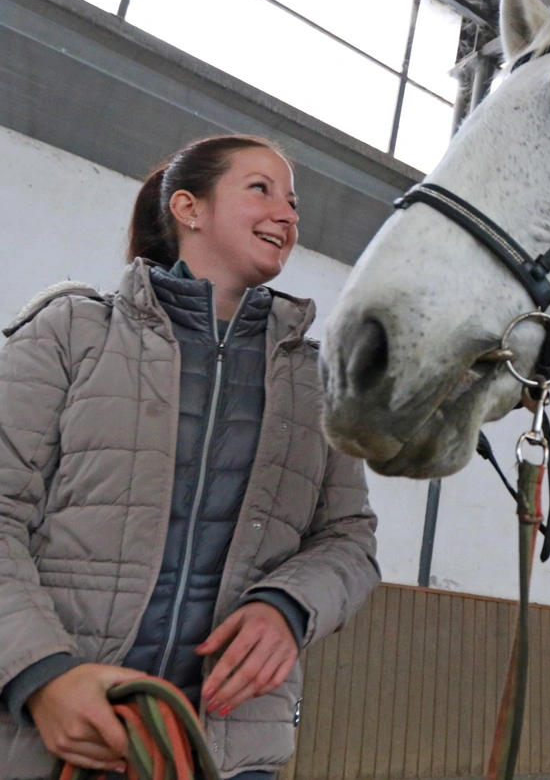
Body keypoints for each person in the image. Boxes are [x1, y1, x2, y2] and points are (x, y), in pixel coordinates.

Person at [0, 135, 380, 778]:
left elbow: (349, 539)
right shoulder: (71, 333)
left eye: (293, 202)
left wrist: (288, 605)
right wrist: (39, 673)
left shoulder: (318, 384)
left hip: (231, 755)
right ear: (188, 208)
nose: (288, 215)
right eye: (261, 189)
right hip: (48, 739)